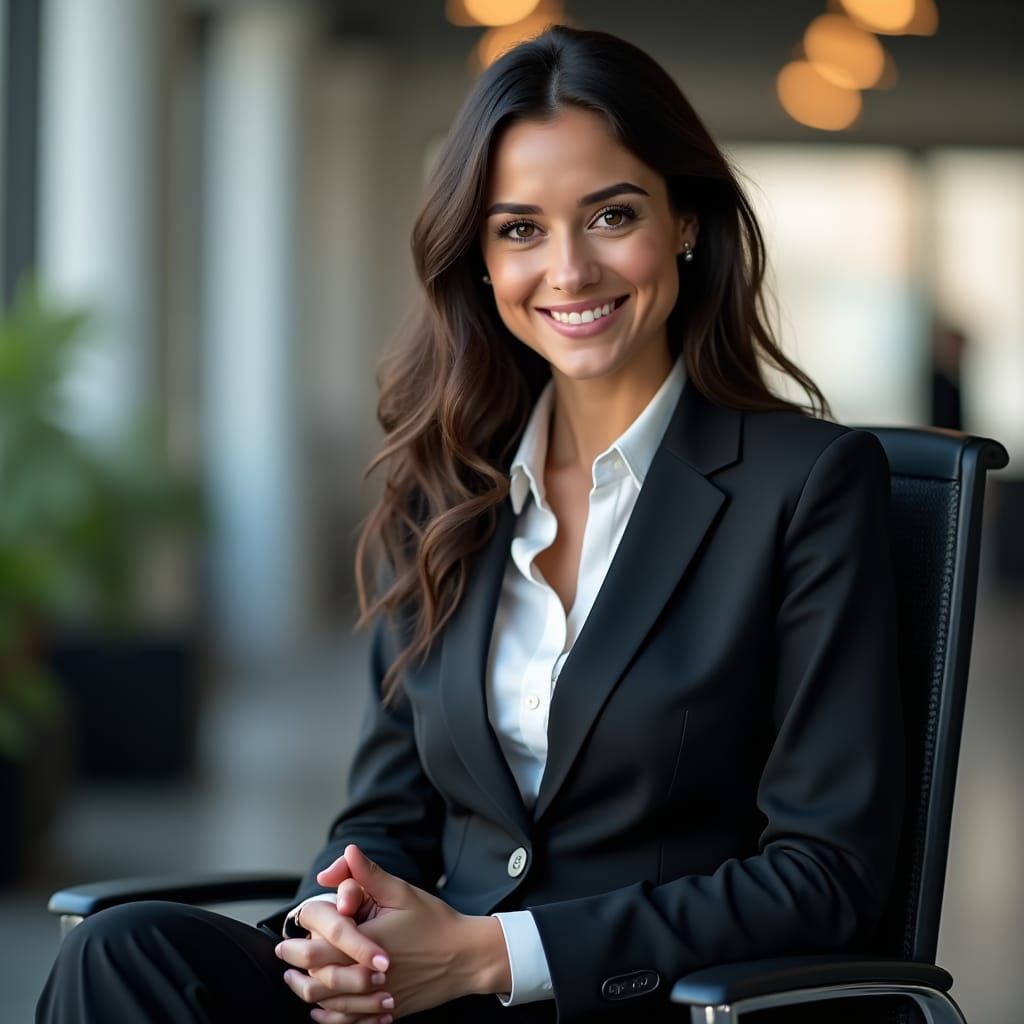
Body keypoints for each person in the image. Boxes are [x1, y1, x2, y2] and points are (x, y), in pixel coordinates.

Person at [37, 23, 905, 1024]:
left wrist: (491, 954)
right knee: (126, 955)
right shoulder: (446, 482)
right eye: (520, 228)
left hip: (630, 997)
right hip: (421, 999)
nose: (569, 270)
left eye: (611, 214)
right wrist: (344, 923)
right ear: (480, 261)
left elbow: (827, 874)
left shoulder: (806, 486)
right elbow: (385, 812)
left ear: (686, 223)